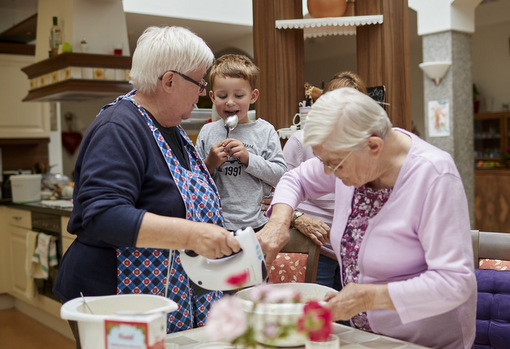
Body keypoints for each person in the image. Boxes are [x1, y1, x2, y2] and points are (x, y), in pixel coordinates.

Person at [53, 26, 241, 343]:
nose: (201, 93)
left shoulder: (171, 127)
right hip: (115, 297)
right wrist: (193, 234)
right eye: (199, 83)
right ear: (169, 81)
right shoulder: (120, 127)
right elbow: (103, 215)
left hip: (160, 292)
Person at [258, 87, 476, 349]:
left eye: (334, 164)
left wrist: (369, 298)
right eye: (323, 161)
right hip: (368, 338)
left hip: (426, 342)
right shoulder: (352, 155)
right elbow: (296, 178)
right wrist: (278, 223)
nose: (327, 172)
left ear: (374, 145)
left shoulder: (434, 176)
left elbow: (455, 282)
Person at [283, 71, 367, 291]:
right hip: (315, 247)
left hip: (351, 250)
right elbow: (274, 197)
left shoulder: (363, 149)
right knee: (318, 315)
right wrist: (299, 219)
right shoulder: (300, 141)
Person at [195, 54, 287, 232]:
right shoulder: (207, 132)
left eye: (238, 95)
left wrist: (248, 158)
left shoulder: (265, 131)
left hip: (258, 224)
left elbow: (281, 176)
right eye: (222, 96)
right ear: (213, 97)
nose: (230, 102)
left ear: (253, 96)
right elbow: (194, 181)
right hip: (216, 223)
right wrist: (210, 163)